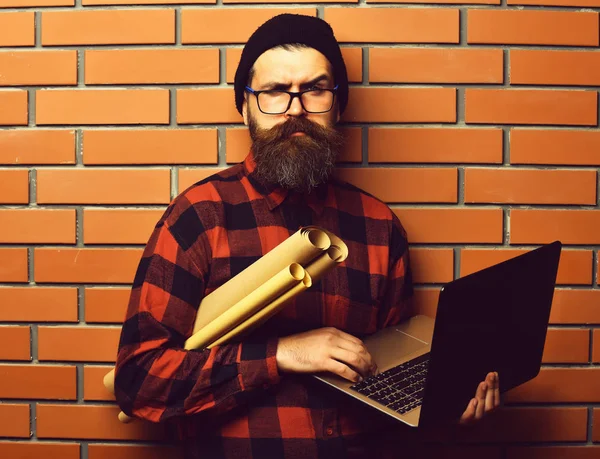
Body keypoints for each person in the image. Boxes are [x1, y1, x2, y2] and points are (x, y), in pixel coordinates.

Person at [114, 13, 500, 459]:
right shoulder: (200, 216)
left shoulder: (378, 226)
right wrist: (281, 354)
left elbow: (389, 387)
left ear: (338, 107)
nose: (295, 108)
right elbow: (139, 381)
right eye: (275, 92)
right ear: (245, 107)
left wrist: (448, 406)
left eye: (315, 90)